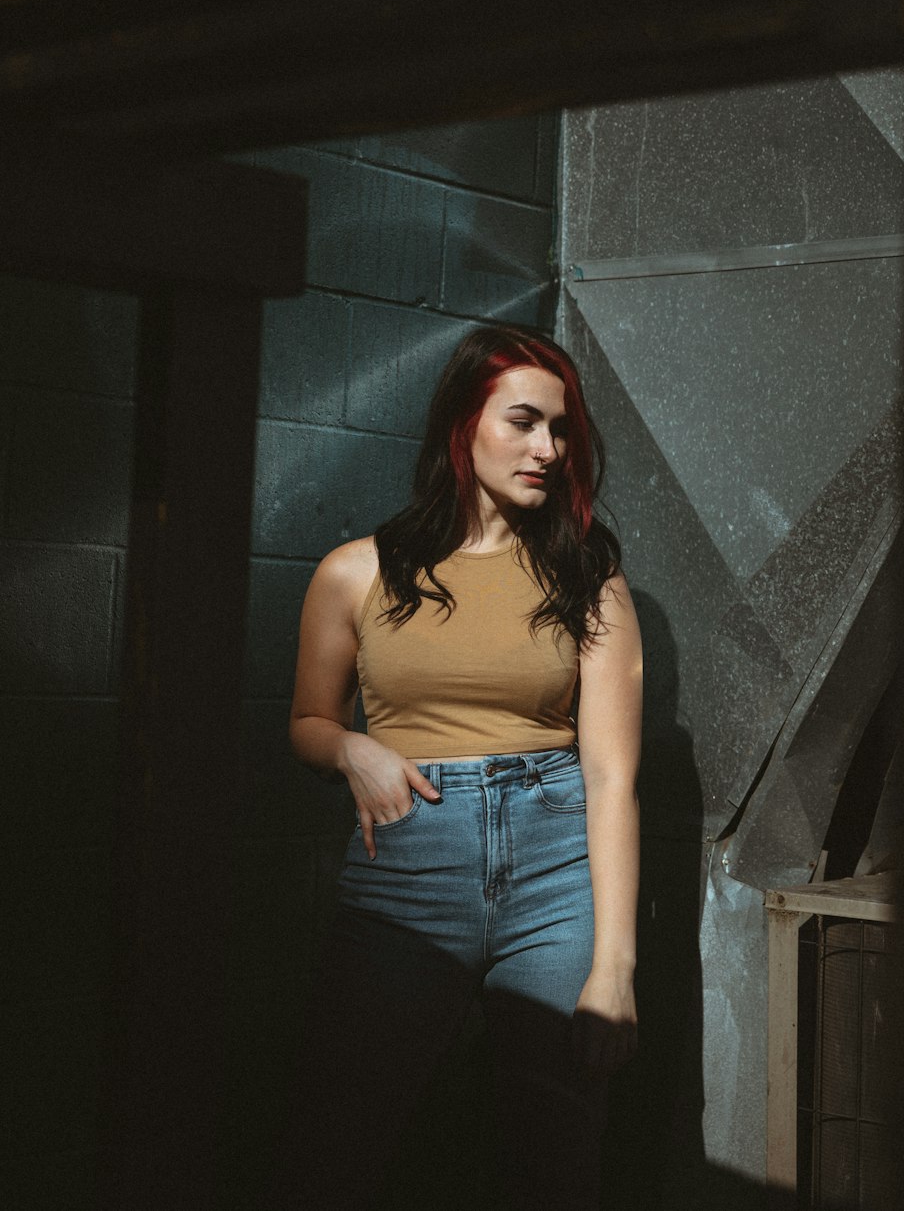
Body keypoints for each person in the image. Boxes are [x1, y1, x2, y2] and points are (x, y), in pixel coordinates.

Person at [281, 324, 641, 1209]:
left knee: (555, 1151)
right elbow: (306, 720)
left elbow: (613, 781)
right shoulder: (354, 572)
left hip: (557, 868)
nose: (548, 450)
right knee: (340, 1138)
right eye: (524, 422)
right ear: (462, 423)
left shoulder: (588, 575)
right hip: (410, 857)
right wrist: (351, 748)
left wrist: (614, 970)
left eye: (561, 432)